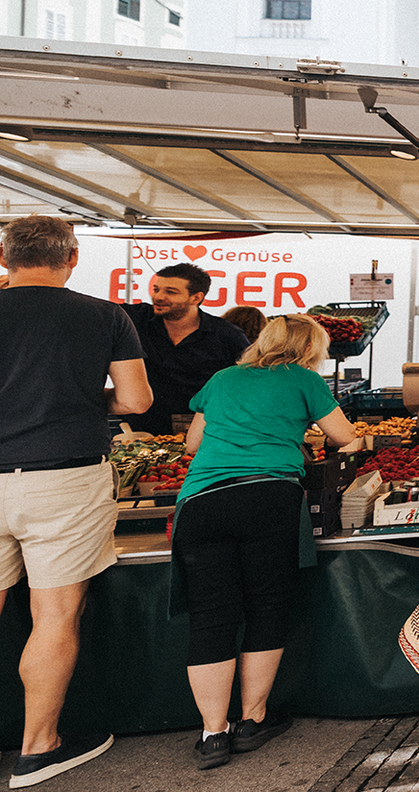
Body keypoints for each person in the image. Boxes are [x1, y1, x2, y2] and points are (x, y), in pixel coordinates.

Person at [0, 215, 152, 788]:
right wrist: (86, 400)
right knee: (55, 616)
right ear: (73, 257)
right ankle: (38, 748)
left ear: (3, 256)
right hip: (63, 477)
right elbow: (137, 400)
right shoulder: (105, 315)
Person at [174, 315, 355, 771]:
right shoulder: (304, 380)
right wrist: (297, 436)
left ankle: (212, 734)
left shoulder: (221, 378)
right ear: (311, 349)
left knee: (211, 616)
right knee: (265, 605)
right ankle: (252, 721)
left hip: (202, 502)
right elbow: (345, 437)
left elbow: (194, 443)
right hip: (268, 497)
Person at [122, 263, 251, 435]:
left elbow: (249, 381)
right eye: (156, 289)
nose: (158, 297)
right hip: (140, 431)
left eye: (171, 292)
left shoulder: (227, 336)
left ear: (196, 298)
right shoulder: (134, 319)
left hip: (203, 431)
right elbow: (93, 312)